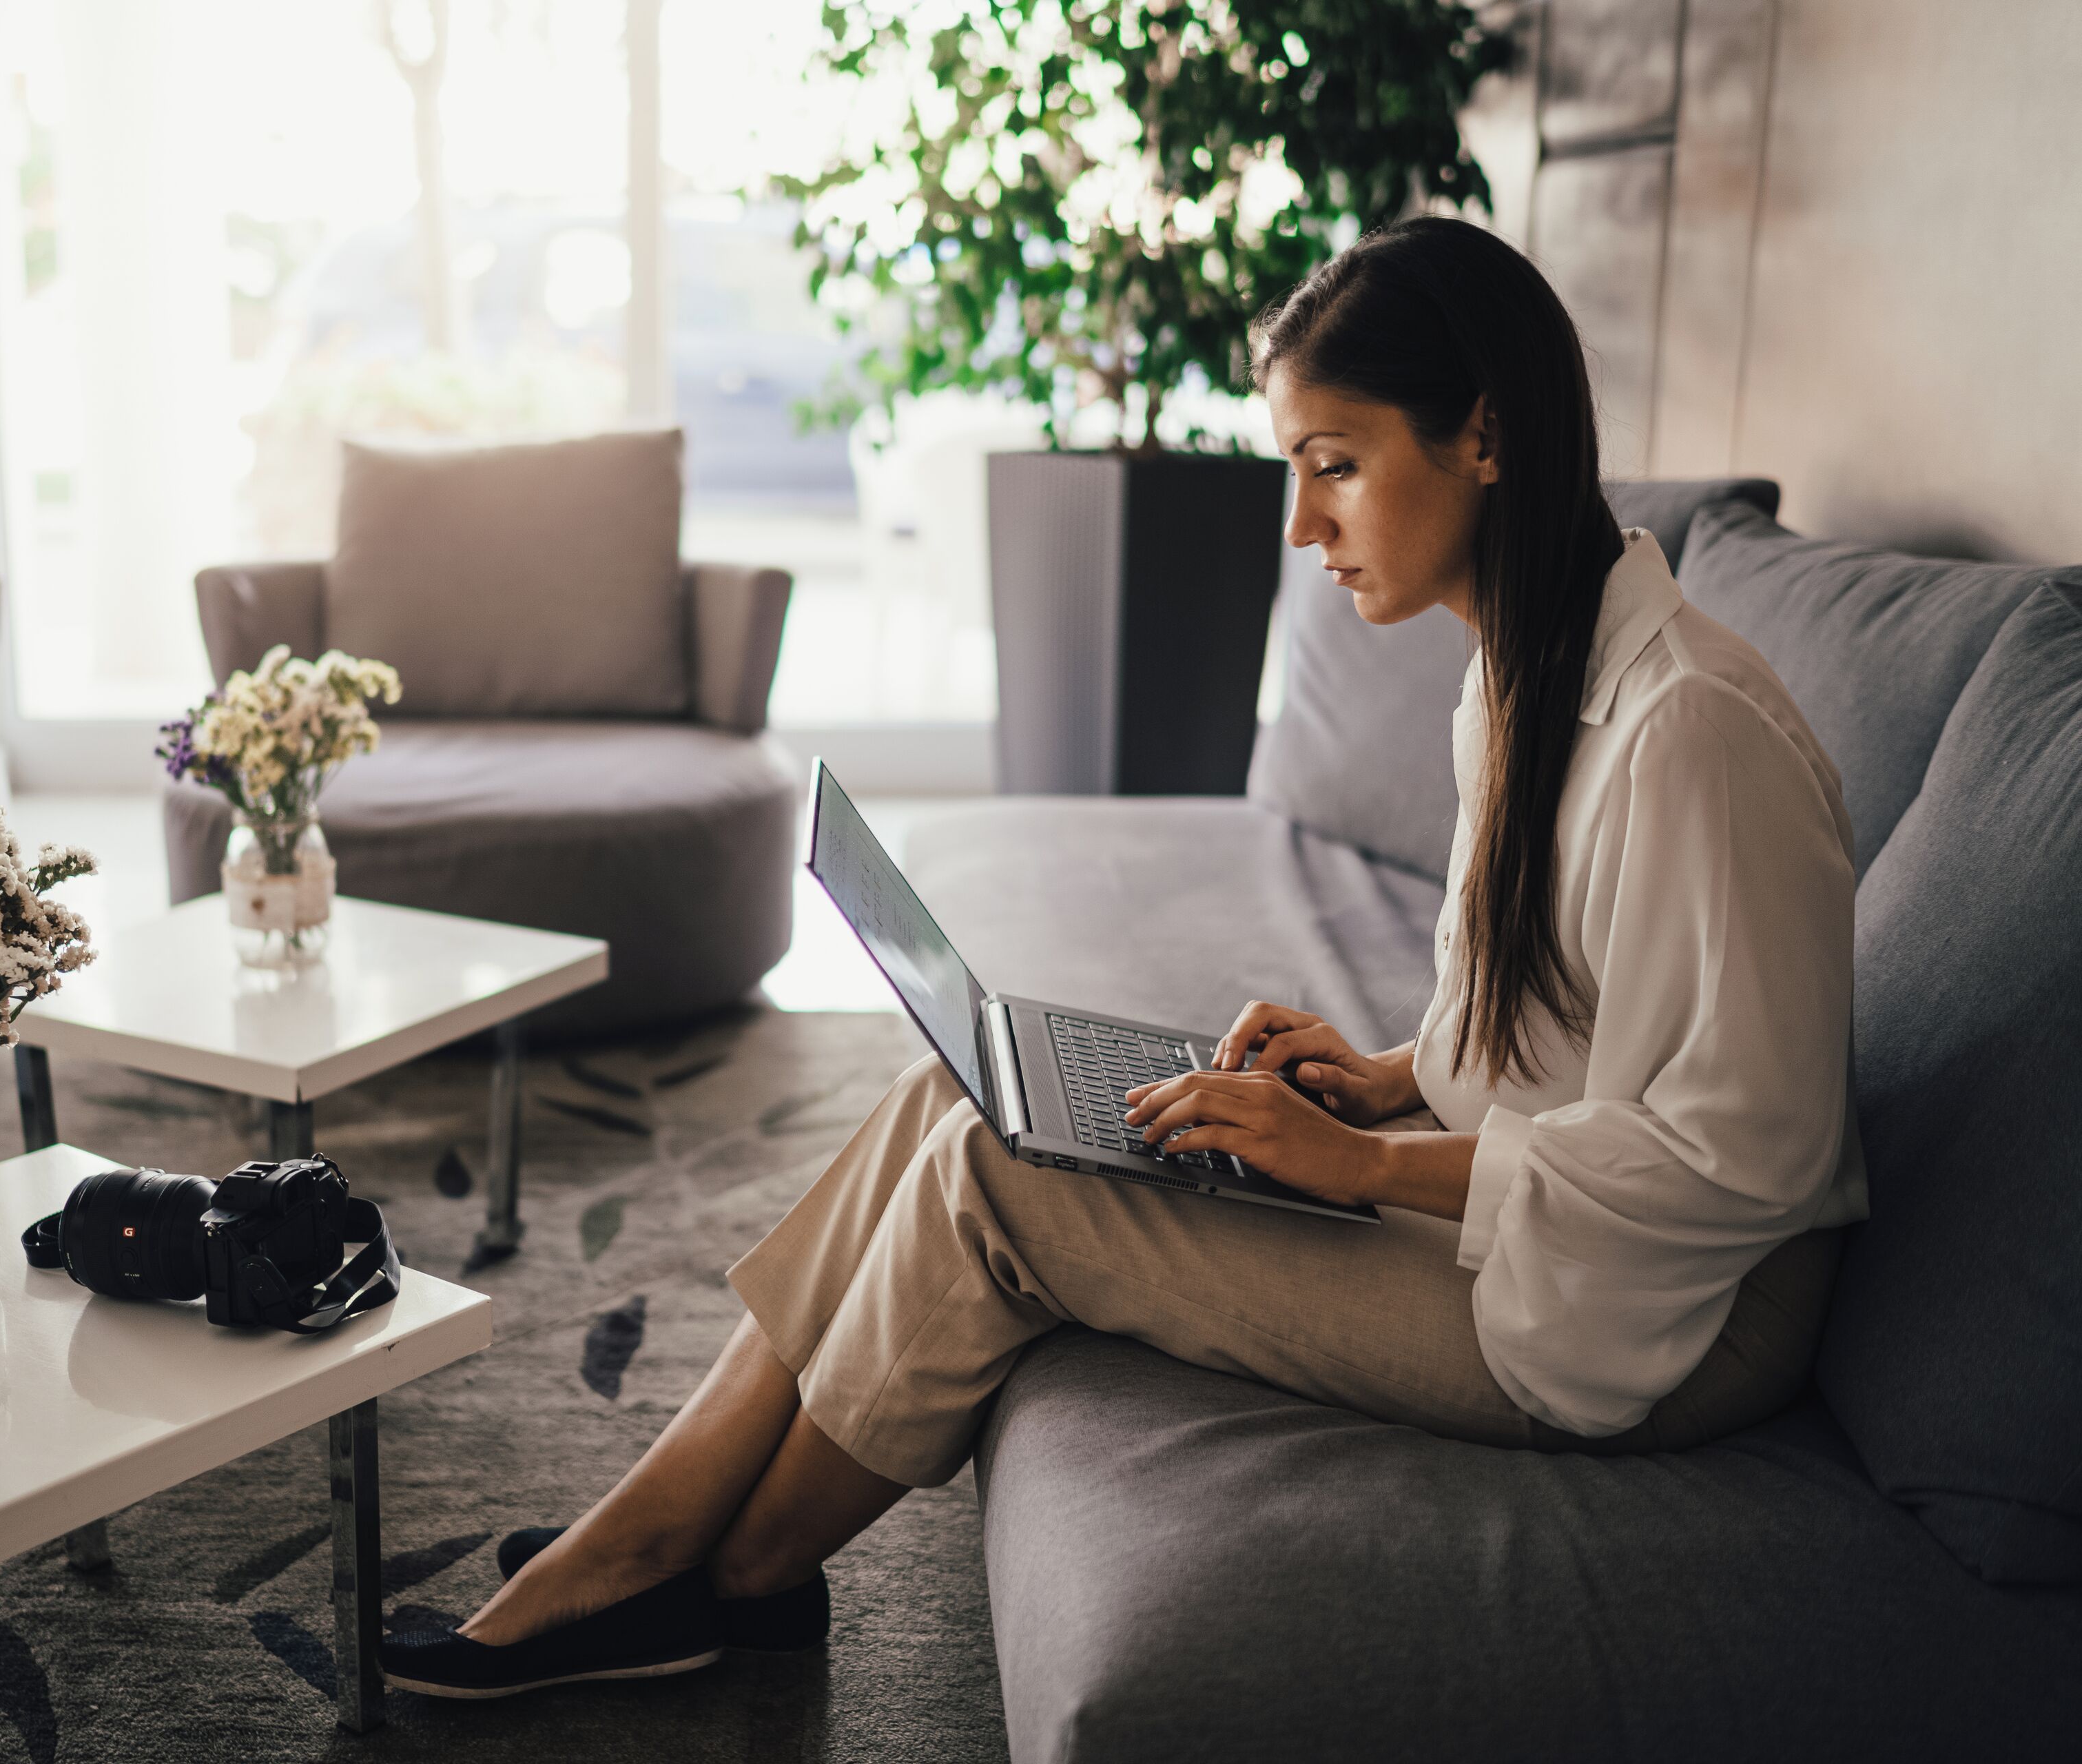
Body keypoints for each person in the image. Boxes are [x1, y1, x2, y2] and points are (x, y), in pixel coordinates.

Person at [381, 216, 1868, 1699]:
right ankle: (655, 1530)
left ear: (1484, 434)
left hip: (1664, 1316)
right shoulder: (1523, 677)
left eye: (1335, 463)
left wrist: (1363, 1165)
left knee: (1006, 1179)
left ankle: (735, 1578)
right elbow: (1574, 1023)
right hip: (1555, 1224)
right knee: (951, 1096)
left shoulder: (1686, 737)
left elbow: (1739, 1161)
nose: (1303, 527)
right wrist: (1386, 1077)